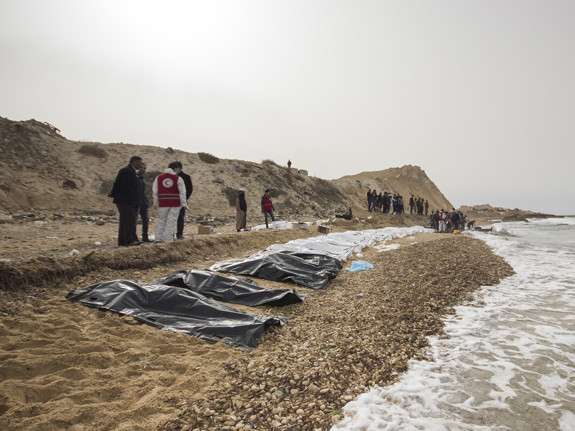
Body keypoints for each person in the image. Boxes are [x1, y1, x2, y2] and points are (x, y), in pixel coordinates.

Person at [109, 156, 143, 246]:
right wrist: (114, 193)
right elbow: (119, 184)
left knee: (125, 220)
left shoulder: (132, 172)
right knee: (129, 220)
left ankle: (123, 241)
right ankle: (128, 240)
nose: (140, 165)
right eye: (139, 163)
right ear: (134, 162)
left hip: (128, 200)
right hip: (125, 200)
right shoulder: (126, 171)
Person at [153, 162, 188, 243]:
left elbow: (155, 192)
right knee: (171, 222)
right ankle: (168, 240)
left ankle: (158, 238)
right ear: (175, 169)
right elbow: (182, 193)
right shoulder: (178, 178)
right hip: (175, 203)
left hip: (163, 203)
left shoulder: (158, 178)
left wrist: (155, 203)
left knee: (161, 221)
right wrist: (184, 204)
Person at [175, 161, 193, 239]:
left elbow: (189, 189)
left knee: (180, 217)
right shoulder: (171, 177)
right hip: (172, 200)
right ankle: (170, 234)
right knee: (171, 218)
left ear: (180, 168)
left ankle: (179, 233)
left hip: (182, 200)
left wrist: (184, 198)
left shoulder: (186, 177)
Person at [135, 162, 150, 242]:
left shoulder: (142, 178)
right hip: (137, 202)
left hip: (143, 202)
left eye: (144, 168)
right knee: (135, 220)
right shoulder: (135, 177)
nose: (143, 169)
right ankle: (134, 237)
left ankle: (145, 236)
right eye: (141, 168)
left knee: (146, 220)